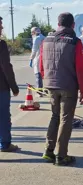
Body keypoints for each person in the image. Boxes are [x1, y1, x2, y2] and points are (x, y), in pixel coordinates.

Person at [40, 12, 83, 166]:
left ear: (58, 24)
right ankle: (61, 155)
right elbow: (80, 69)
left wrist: (45, 80)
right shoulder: (75, 42)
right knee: (66, 119)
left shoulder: (45, 40)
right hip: (68, 86)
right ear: (73, 25)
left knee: (55, 116)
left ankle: (48, 151)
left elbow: (41, 65)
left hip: (51, 85)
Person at [0, 16, 20, 152]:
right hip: (1, 87)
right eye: (0, 25)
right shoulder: (1, 44)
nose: (2, 28)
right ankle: (5, 144)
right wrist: (14, 86)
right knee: (3, 116)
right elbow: (6, 66)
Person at [30, 27, 45, 97]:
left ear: (34, 32)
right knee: (42, 75)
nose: (31, 34)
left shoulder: (36, 38)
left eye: (32, 32)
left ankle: (39, 91)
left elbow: (34, 50)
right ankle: (42, 90)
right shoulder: (44, 37)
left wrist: (31, 58)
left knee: (38, 75)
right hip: (44, 59)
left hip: (38, 58)